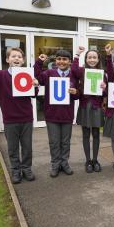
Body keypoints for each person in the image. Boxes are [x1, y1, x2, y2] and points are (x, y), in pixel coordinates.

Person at [0, 48, 39, 183]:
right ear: (7, 59)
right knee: (12, 147)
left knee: (27, 147)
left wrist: (35, 85)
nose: (16, 59)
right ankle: (15, 170)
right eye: (13, 56)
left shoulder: (27, 75)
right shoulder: (0, 75)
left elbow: (33, 94)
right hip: (10, 119)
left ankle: (26, 168)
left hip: (26, 118)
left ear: (23, 60)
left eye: (19, 57)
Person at [34, 50, 79, 178]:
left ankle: (64, 163)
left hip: (67, 115)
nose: (61, 61)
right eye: (59, 59)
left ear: (69, 62)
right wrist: (39, 62)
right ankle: (55, 164)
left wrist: (75, 92)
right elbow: (36, 76)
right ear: (55, 61)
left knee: (65, 142)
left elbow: (77, 95)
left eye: (65, 59)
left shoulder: (73, 75)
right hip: (52, 115)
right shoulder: (49, 73)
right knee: (54, 142)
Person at [72, 46, 107, 173]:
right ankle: (88, 160)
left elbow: (105, 93)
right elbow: (73, 70)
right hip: (85, 106)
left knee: (96, 134)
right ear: (86, 59)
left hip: (96, 107)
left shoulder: (102, 73)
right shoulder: (82, 71)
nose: (92, 59)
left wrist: (104, 88)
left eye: (94, 57)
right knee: (86, 134)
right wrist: (77, 55)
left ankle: (95, 160)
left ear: (98, 59)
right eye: (89, 57)